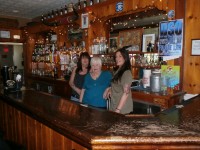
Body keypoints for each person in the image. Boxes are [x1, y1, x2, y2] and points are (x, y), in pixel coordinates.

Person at [104, 47, 133, 114]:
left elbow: (126, 93)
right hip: (115, 105)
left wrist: (118, 109)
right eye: (116, 57)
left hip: (122, 110)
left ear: (125, 58)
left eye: (120, 56)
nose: (117, 59)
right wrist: (109, 89)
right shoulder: (119, 70)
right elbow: (117, 84)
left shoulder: (126, 72)